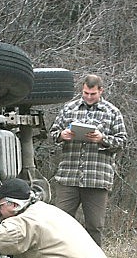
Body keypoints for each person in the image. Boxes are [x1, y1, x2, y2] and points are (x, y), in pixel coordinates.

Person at [49, 74, 128, 246]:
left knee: (94, 226)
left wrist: (102, 139)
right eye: (85, 93)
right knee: (60, 223)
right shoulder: (69, 109)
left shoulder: (112, 112)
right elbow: (53, 133)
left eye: (92, 94)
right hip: (68, 176)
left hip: (97, 178)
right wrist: (62, 135)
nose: (89, 97)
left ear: (101, 91)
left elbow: (122, 141)